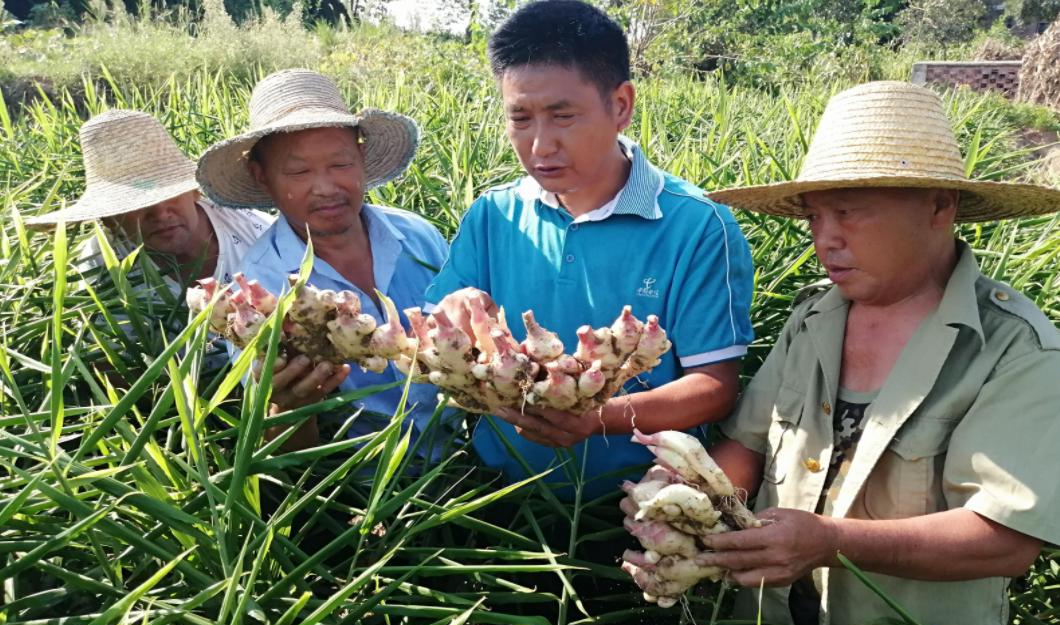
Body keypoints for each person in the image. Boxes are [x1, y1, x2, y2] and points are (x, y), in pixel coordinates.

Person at [644, 80, 1060, 625]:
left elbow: (1007, 539)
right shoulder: (814, 317)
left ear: (939, 207)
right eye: (814, 216)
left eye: (849, 211)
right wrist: (684, 503)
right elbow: (745, 444)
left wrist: (831, 542)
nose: (825, 238)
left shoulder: (1012, 348)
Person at [425, 0, 754, 499]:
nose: (540, 145)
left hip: (635, 514)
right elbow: (439, 338)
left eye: (563, 116)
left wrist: (600, 418)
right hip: (495, 502)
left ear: (621, 105)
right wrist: (452, 320)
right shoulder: (493, 216)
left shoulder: (696, 226)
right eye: (521, 118)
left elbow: (715, 385)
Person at [197, 69, 449, 450]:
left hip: (482, 455)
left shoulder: (418, 236)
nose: (327, 188)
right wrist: (288, 407)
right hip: (364, 487)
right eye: (299, 171)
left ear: (362, 158)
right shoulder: (256, 293)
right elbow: (284, 449)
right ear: (261, 176)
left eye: (341, 164)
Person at [27, 109, 271, 287]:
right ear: (110, 220)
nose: (161, 213)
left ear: (195, 191)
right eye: (137, 206)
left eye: (171, 195)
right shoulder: (104, 263)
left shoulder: (258, 233)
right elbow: (102, 353)